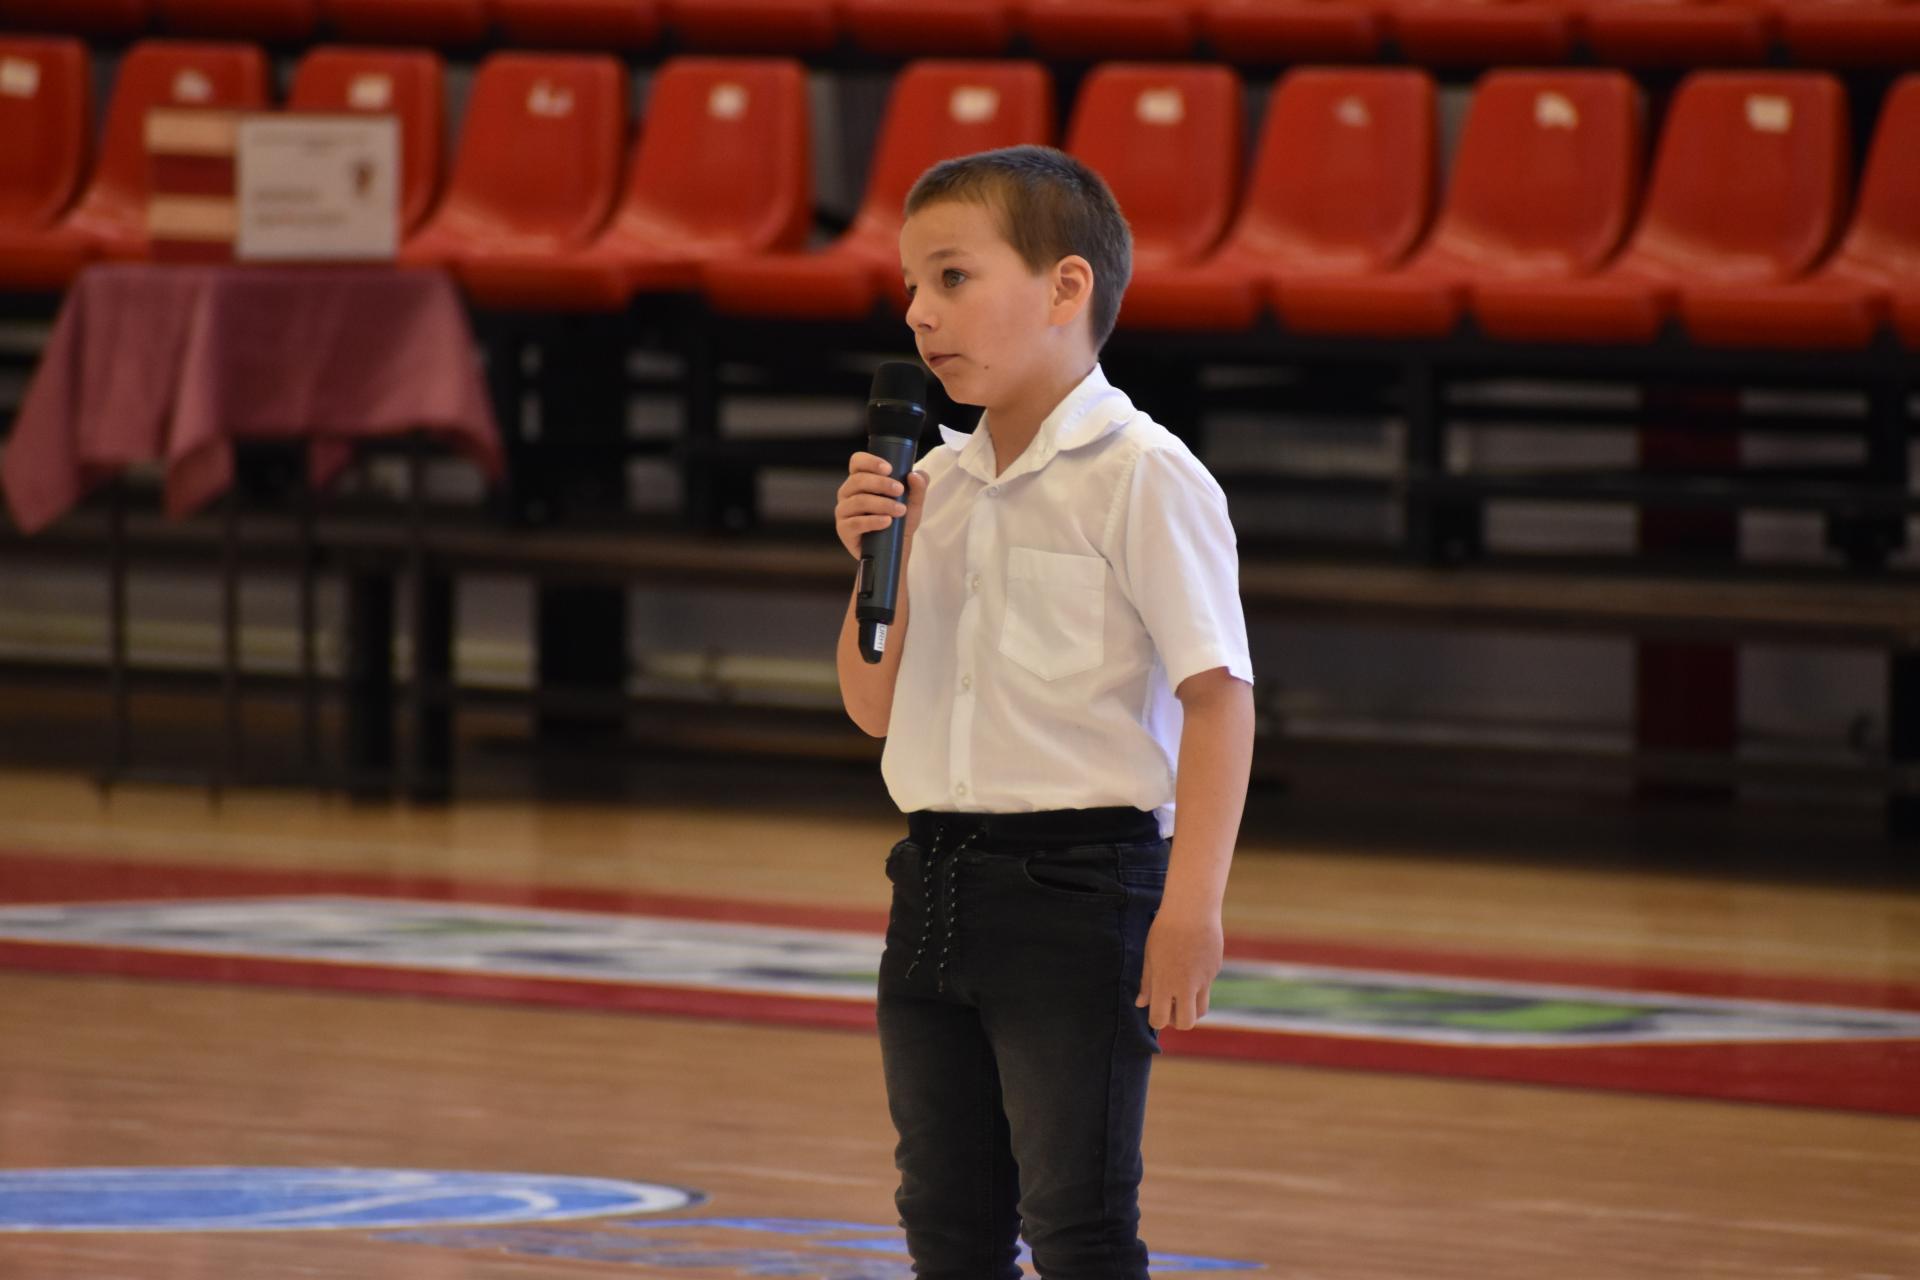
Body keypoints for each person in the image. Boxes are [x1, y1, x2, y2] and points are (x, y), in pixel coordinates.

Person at [832, 143, 1255, 1279]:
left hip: (1080, 888)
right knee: (946, 1220)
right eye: (911, 285)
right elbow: (872, 706)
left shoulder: (1143, 473)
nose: (919, 313)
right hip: (932, 881)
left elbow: (1219, 699)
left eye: (953, 277)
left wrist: (1192, 907)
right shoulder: (934, 484)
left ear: (1067, 287)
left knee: (1077, 1224)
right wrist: (870, 557)